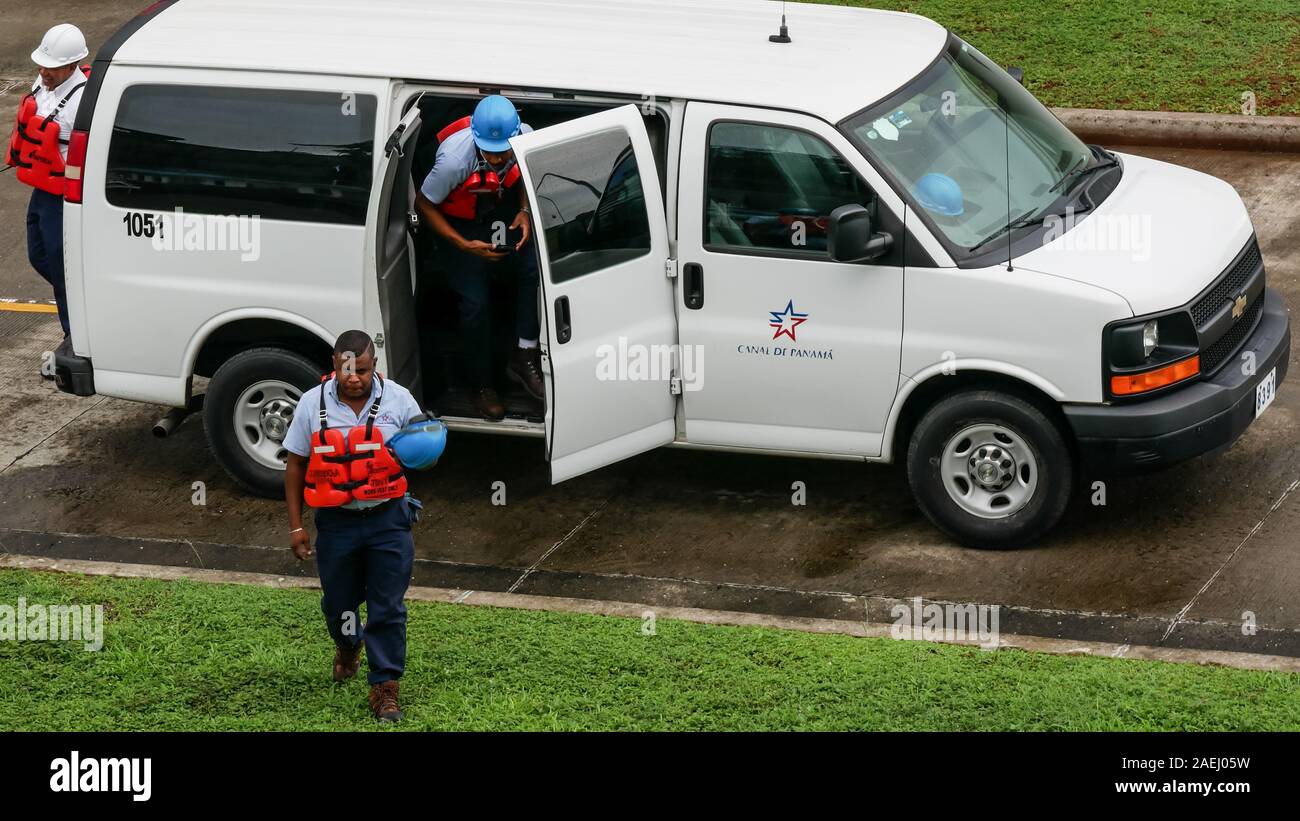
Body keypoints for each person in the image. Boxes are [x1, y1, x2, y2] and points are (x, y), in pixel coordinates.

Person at [282, 330, 427, 722]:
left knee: (387, 607)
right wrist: (297, 528)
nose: (353, 378)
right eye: (346, 370)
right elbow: (295, 464)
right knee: (339, 604)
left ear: (374, 365)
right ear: (334, 365)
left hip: (388, 520)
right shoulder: (311, 405)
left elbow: (421, 450)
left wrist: (428, 447)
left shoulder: (399, 400)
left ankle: (385, 686)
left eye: (361, 370)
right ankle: (348, 646)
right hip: (337, 524)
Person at [415, 94, 544, 421]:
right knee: (476, 304)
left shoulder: (524, 136)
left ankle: (524, 353)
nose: (499, 160)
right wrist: (463, 245)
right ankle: (481, 385)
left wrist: (525, 211)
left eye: (504, 153)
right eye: (491, 152)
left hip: (498, 214)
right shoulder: (454, 161)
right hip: (458, 225)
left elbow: (525, 177)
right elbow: (424, 205)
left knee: (531, 266)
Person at [5, 24, 90, 374]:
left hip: (65, 198)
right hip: (43, 189)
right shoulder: (43, 84)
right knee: (39, 255)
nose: (43, 71)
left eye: (51, 66)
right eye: (41, 64)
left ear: (72, 66)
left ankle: (77, 335)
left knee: (62, 265)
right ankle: (81, 304)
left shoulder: (83, 102)